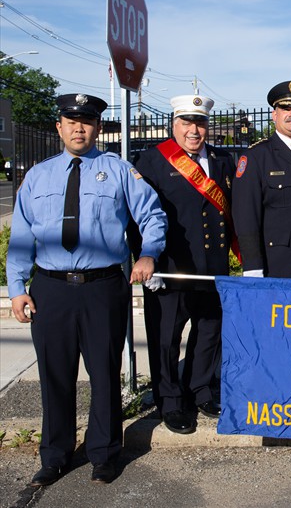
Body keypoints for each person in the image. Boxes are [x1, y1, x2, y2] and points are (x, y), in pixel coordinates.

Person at [6, 93, 167, 485]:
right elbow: (23, 237)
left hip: (102, 287)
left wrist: (148, 255)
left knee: (104, 374)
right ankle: (55, 454)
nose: (79, 128)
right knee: (55, 375)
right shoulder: (38, 176)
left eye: (88, 121)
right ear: (59, 127)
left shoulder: (118, 171)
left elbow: (152, 215)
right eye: (71, 121)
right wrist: (16, 287)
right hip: (50, 289)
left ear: (98, 127)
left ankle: (104, 453)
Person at [131, 95, 236, 434]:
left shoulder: (221, 160)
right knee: (165, 339)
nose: (194, 130)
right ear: (173, 124)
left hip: (211, 265)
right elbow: (137, 218)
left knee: (209, 332)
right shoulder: (152, 161)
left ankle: (200, 390)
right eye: (187, 123)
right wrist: (146, 261)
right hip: (170, 267)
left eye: (201, 123)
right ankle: (170, 401)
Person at [233, 80, 291, 278]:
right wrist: (252, 265)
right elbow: (246, 216)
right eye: (285, 108)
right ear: (275, 114)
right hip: (277, 263)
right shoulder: (256, 157)